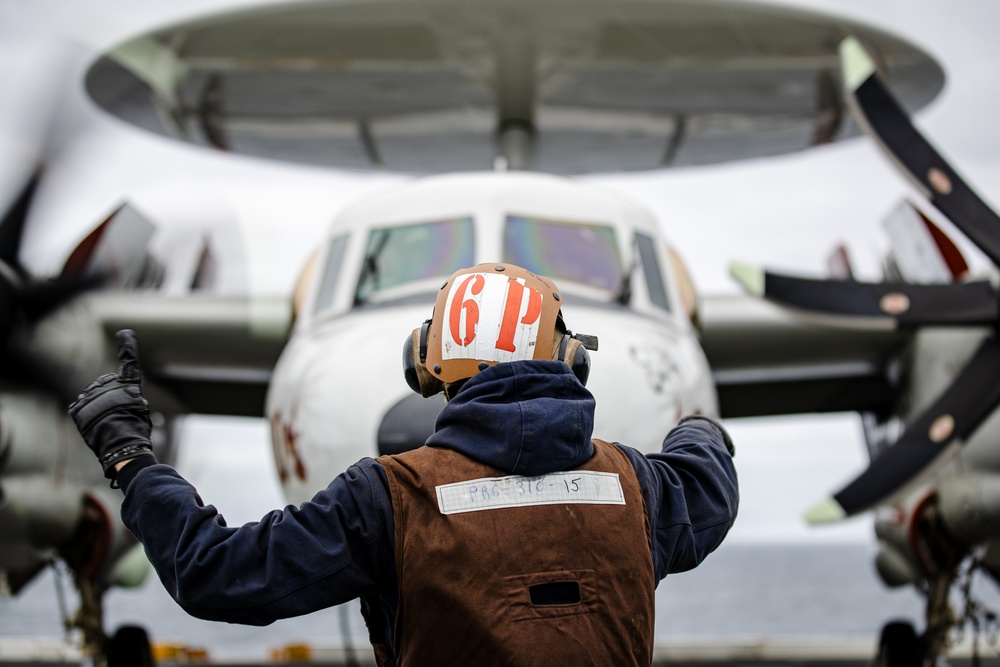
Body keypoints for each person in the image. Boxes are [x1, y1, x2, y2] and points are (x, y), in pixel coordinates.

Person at [70, 262, 738, 666]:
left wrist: (132, 458)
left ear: (426, 361)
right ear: (569, 358)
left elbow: (218, 574)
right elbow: (710, 484)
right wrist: (700, 427)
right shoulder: (638, 487)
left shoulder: (389, 497)